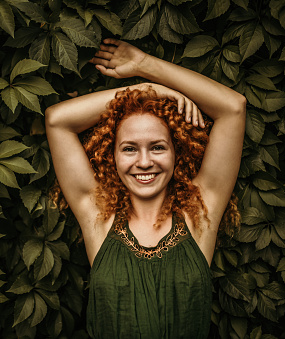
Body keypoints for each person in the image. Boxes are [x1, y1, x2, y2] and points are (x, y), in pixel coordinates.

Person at [45, 38, 246, 339]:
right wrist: (153, 91)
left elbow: (234, 107)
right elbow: (57, 120)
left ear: (177, 152)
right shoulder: (97, 214)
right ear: (111, 156)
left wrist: (144, 65)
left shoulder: (201, 213)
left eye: (157, 147)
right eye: (129, 149)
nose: (144, 162)